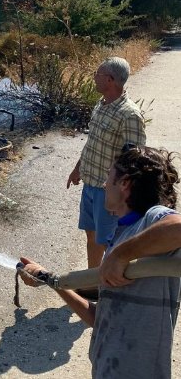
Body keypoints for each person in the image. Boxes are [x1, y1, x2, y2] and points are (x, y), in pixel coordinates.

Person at [21, 146, 181, 378]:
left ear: (124, 183)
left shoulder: (151, 219)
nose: (105, 185)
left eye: (109, 176)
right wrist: (48, 278)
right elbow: (100, 319)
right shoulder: (122, 235)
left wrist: (120, 255)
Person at [67, 57, 146, 269]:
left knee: (110, 241)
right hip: (90, 184)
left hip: (108, 191)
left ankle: (111, 286)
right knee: (92, 236)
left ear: (110, 80)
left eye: (98, 75)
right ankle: (93, 283)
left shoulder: (129, 114)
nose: (94, 78)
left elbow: (135, 158)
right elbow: (92, 143)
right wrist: (77, 169)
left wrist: (118, 190)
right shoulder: (101, 105)